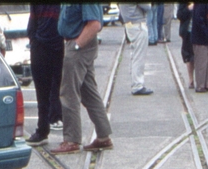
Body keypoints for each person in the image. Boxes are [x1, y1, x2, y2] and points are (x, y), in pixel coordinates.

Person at [54, 4, 113, 153]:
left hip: (79, 44)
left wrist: (76, 46)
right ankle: (103, 136)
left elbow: (94, 24)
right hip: (76, 43)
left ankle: (71, 140)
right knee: (89, 92)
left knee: (69, 93)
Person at [26, 5, 65, 145]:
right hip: (40, 47)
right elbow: (33, 21)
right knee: (42, 92)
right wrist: (34, 40)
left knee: (61, 89)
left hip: (60, 46)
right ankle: (42, 129)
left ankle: (59, 121)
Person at [120, 3, 153, 93]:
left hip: (129, 24)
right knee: (139, 56)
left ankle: (135, 81)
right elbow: (148, 6)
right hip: (138, 24)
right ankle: (137, 85)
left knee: (134, 55)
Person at [191, 2, 208, 92]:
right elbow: (198, 19)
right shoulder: (200, 4)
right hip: (200, 36)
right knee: (201, 62)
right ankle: (200, 85)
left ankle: (207, 84)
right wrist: (206, 31)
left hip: (207, 35)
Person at [177, 3, 195, 86]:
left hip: (200, 31)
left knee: (199, 56)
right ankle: (191, 80)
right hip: (188, 32)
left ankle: (200, 79)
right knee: (188, 56)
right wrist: (188, 8)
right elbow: (179, 15)